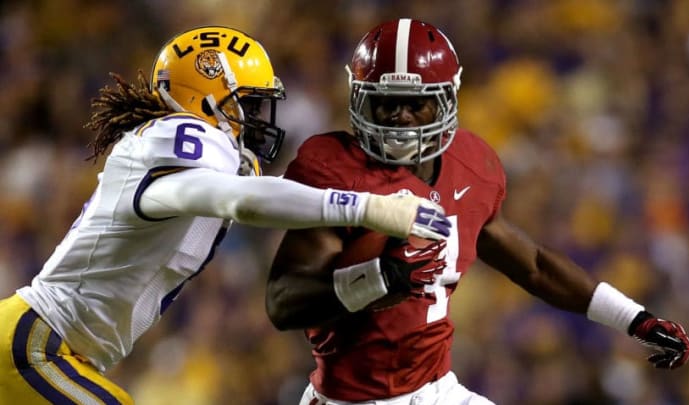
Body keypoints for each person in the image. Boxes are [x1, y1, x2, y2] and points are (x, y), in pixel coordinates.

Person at [0, 25, 452, 405]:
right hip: (33, 344)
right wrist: (372, 207)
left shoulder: (192, 160)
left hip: (52, 348)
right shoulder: (180, 136)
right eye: (249, 105)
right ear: (205, 99)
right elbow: (240, 199)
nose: (257, 119)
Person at [265, 18, 689, 405]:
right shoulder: (334, 169)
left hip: (437, 390)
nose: (401, 118)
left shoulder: (470, 163)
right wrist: (374, 280)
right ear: (361, 102)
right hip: (352, 400)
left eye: (417, 103)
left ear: (448, 100)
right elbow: (282, 303)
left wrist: (635, 320)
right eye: (387, 102)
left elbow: (535, 266)